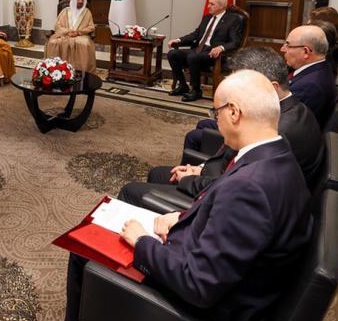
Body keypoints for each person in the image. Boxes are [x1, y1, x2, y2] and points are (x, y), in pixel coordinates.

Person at [65, 70, 313, 321]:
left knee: (83, 251)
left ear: (234, 112)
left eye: (216, 112)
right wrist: (181, 218)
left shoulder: (249, 189)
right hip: (223, 286)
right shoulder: (277, 156)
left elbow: (198, 285)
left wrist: (142, 241)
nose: (215, 120)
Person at [121, 47, 324, 207]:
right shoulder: (291, 110)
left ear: (271, 88)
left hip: (220, 200)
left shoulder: (276, 133)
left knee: (130, 191)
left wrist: (189, 179)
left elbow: (233, 186)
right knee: (157, 174)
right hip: (219, 179)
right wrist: (199, 169)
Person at [166, 0, 244, 102]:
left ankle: (196, 90)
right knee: (172, 54)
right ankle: (183, 86)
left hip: (213, 53)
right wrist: (178, 40)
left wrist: (221, 48)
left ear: (221, 6)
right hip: (198, 49)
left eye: (212, 4)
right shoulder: (207, 18)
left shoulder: (233, 20)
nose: (208, 6)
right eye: (209, 3)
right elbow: (195, 34)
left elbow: (235, 41)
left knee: (193, 57)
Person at [281, 25, 338, 129]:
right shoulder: (321, 68)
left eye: (288, 45)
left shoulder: (309, 86)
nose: (282, 49)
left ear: (306, 52)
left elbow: (284, 122)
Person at [44, 0, 97, 75]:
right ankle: (54, 68)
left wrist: (79, 32)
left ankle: (81, 71)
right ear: (73, 0)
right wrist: (67, 32)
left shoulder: (87, 12)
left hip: (81, 35)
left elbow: (91, 27)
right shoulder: (65, 11)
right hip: (64, 35)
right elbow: (57, 25)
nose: (81, 1)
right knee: (53, 42)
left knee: (85, 44)